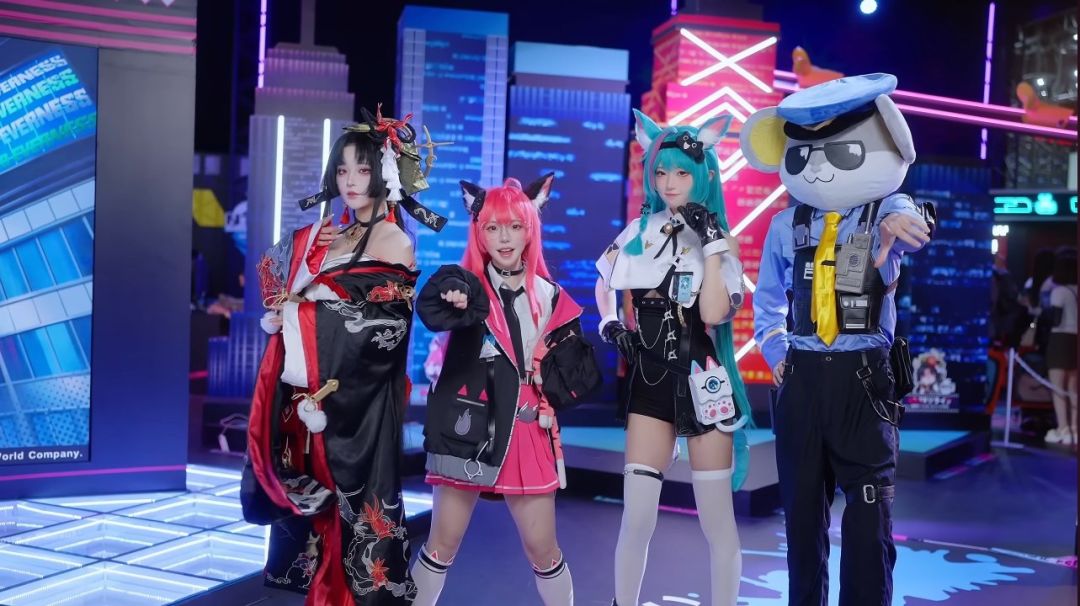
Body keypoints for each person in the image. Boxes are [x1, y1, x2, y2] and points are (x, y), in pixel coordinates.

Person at [741, 73, 934, 605]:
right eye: (807, 154)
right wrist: (776, 351)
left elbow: (913, 223)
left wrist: (901, 221)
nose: (821, 167)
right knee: (802, 520)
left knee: (869, 521)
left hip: (864, 380)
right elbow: (768, 300)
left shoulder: (886, 210)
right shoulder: (785, 225)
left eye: (842, 151)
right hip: (802, 379)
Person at [243, 107, 446, 605]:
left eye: (362, 168)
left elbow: (384, 328)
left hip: (357, 402)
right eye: (342, 170)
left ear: (384, 173)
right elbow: (275, 278)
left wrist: (302, 309)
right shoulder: (333, 233)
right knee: (316, 512)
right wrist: (305, 258)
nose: (350, 181)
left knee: (353, 518)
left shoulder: (394, 240)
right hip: (309, 397)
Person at [411, 175, 596, 606]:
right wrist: (454, 295)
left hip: (528, 426)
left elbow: (574, 376)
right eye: (493, 227)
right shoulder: (466, 288)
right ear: (479, 232)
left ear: (530, 228)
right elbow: (432, 310)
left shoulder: (551, 297)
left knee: (543, 550)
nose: (505, 237)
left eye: (514, 225)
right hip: (468, 424)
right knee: (441, 546)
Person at [595, 110, 749, 606]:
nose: (669, 182)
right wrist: (609, 322)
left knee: (717, 521)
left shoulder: (721, 240)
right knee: (636, 518)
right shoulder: (640, 229)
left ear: (704, 174)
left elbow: (712, 312)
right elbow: (604, 279)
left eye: (682, 172)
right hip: (650, 378)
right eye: (661, 172)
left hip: (705, 379)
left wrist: (711, 243)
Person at [1044, 249, 1077, 445]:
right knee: (1074, 387)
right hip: (1076, 339)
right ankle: (1075, 428)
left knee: (1057, 386)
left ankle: (1062, 427)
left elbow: (1055, 320)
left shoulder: (1059, 292)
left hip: (1060, 339)